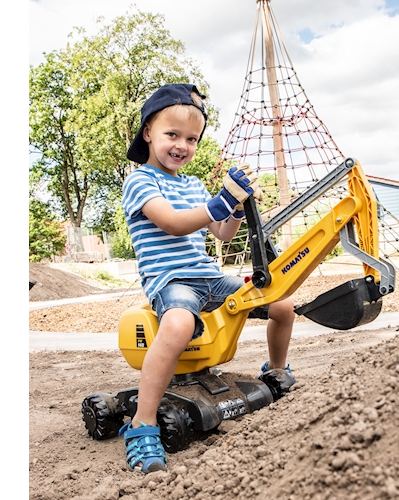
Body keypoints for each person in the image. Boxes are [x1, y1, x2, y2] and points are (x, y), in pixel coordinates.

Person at [118, 83, 297, 473]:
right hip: (171, 281)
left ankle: (277, 372)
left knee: (282, 303)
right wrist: (218, 201)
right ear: (148, 132)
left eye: (191, 139)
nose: (182, 145)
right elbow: (173, 223)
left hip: (208, 278)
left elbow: (223, 234)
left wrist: (233, 205)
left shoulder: (194, 185)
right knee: (180, 322)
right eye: (172, 135)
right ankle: (142, 424)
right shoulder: (140, 181)